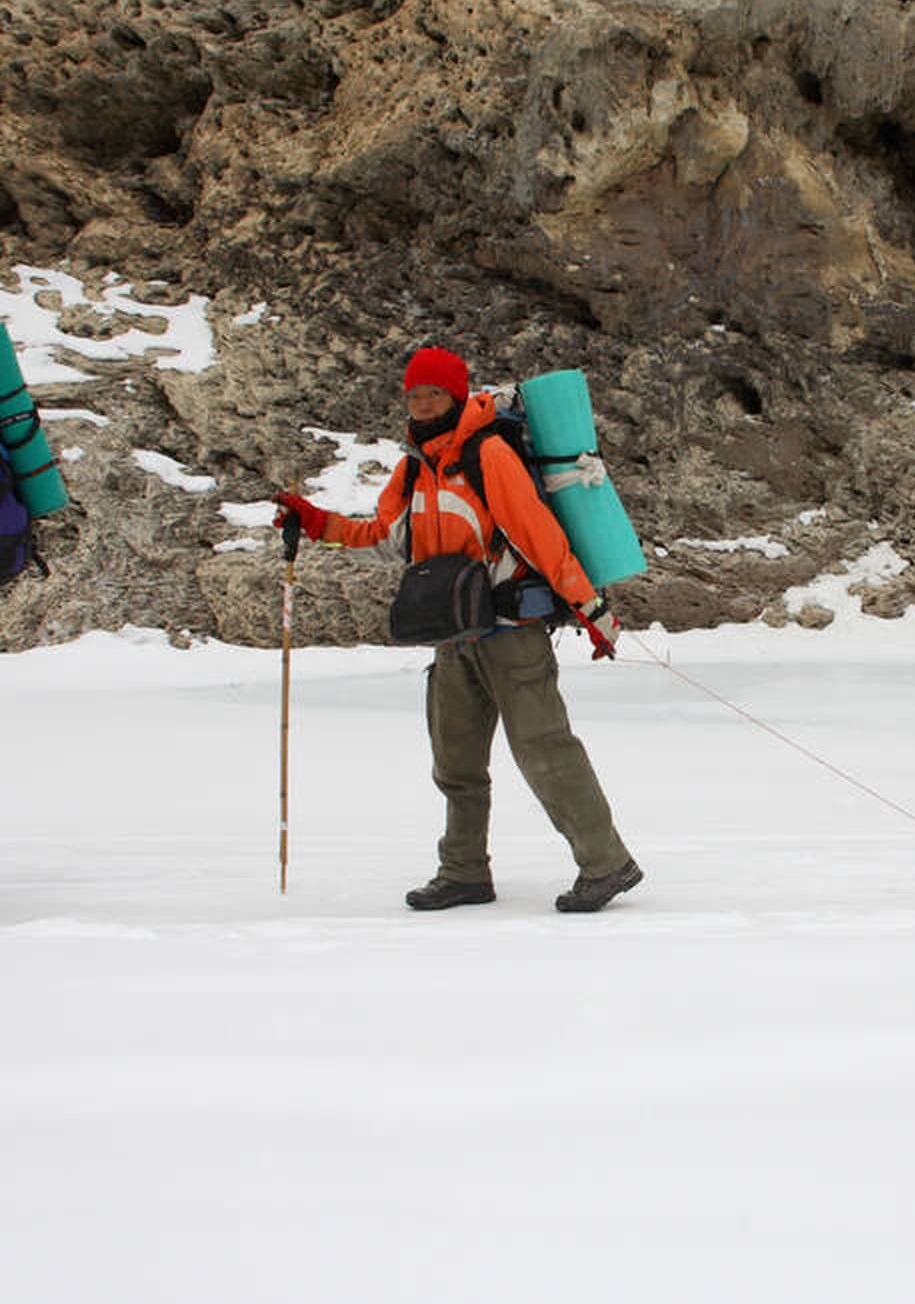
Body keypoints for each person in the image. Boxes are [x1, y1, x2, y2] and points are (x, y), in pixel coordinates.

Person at [274, 346, 642, 913]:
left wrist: (590, 611)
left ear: (454, 394)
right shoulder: (412, 468)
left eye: (433, 394)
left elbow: (540, 535)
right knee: (456, 763)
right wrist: (319, 523)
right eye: (414, 395)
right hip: (453, 635)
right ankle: (464, 871)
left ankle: (606, 863)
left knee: (545, 751)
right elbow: (384, 537)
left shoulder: (489, 454)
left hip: (512, 632)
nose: (422, 405)